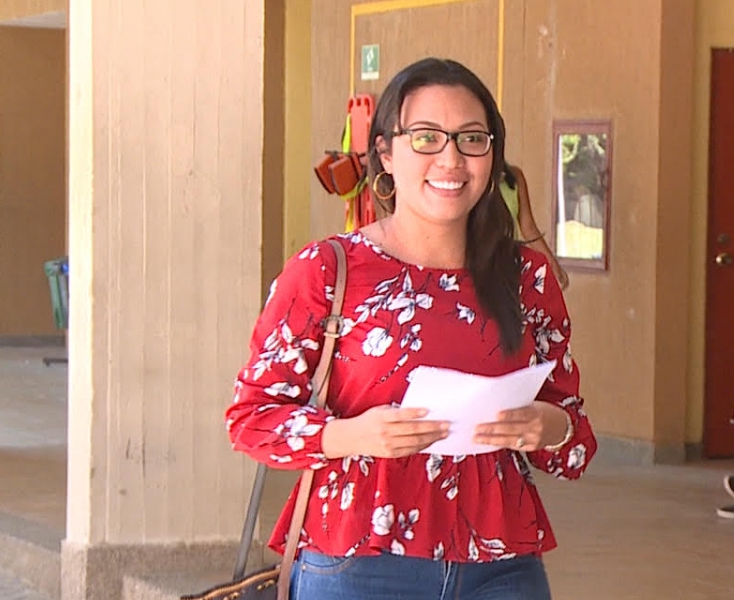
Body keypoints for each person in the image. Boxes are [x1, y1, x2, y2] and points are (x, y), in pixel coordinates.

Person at [225, 57, 597, 600]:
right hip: (358, 563)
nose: (451, 158)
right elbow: (250, 417)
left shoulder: (529, 278)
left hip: (502, 567)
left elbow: (576, 445)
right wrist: (351, 435)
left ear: (492, 155)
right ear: (386, 153)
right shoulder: (328, 270)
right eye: (426, 137)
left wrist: (550, 427)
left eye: (472, 138)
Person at [500, 164, 570, 289]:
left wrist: (552, 263)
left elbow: (528, 227)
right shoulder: (474, 179)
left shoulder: (515, 177)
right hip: (477, 267)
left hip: (509, 267)